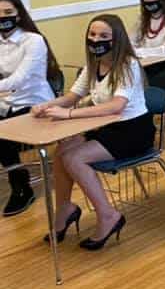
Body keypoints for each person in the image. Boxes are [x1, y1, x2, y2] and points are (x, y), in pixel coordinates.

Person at [31, 14, 154, 250]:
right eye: (93, 34)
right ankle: (65, 208)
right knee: (61, 151)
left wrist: (68, 114)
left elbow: (116, 106)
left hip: (133, 130)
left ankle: (108, 215)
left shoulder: (128, 64)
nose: (96, 40)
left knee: (74, 158)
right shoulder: (93, 65)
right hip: (106, 127)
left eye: (104, 36)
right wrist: (46, 106)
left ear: (117, 39)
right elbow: (72, 97)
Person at [0, 0, 61, 216]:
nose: (3, 17)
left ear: (19, 14)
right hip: (6, 102)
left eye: (8, 12)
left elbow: (20, 79)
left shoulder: (33, 40)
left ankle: (21, 187)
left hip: (36, 104)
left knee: (3, 133)